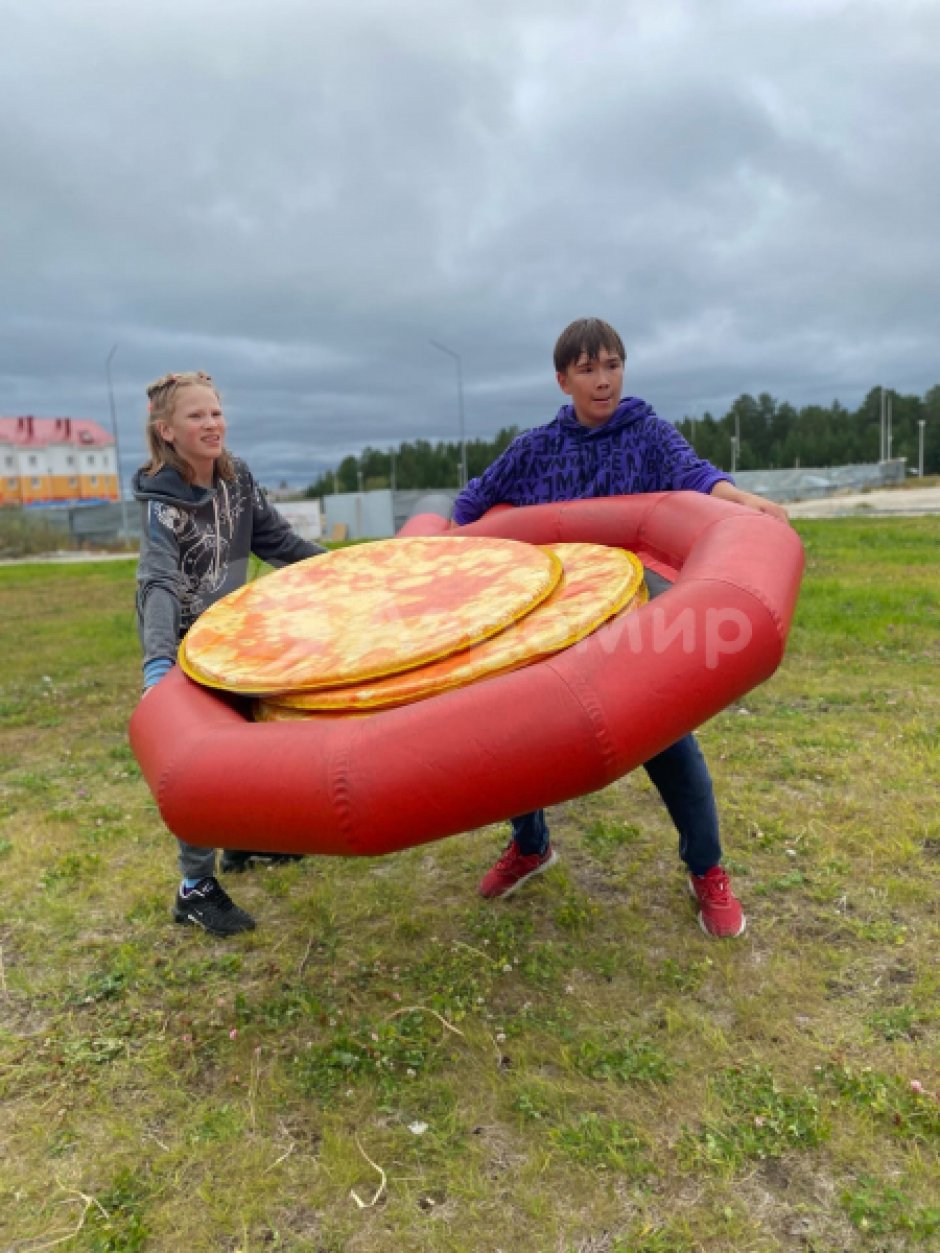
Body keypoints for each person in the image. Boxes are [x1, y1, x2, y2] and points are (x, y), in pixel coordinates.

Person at [452, 318, 790, 938]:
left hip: (633, 617)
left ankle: (707, 870)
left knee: (667, 737)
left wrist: (749, 505)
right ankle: (531, 845)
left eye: (611, 365)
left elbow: (696, 477)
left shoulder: (649, 435)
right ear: (563, 380)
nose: (602, 380)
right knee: (519, 731)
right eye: (587, 369)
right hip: (554, 617)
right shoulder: (535, 450)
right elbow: (473, 504)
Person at [134, 371, 326, 936]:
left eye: (216, 412)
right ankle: (195, 888)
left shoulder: (237, 479)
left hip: (236, 639)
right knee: (200, 764)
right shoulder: (162, 505)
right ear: (167, 431)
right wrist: (158, 668)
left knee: (251, 739)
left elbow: (279, 542)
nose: (212, 423)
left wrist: (343, 571)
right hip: (186, 652)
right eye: (197, 416)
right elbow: (158, 583)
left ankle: (244, 842)